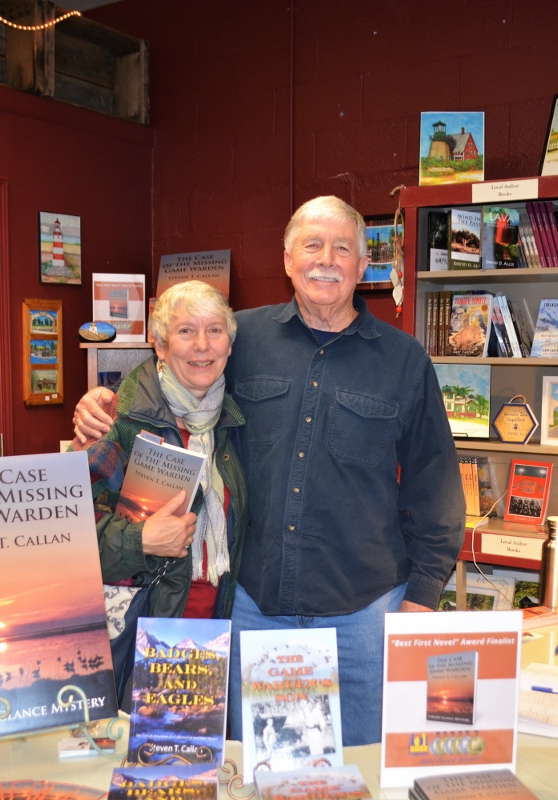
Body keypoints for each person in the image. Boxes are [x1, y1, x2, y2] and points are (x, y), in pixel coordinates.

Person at [74, 196, 464, 745]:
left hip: (365, 618)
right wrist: (102, 402)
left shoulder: (404, 361)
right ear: (287, 259)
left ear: (363, 264)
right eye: (312, 244)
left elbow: (436, 489)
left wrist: (421, 597)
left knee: (365, 772)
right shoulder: (242, 337)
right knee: (269, 773)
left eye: (343, 248)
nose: (326, 259)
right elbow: (173, 368)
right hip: (255, 611)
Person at [81, 281, 247, 704]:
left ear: (230, 343)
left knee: (188, 762)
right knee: (149, 763)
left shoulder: (236, 422)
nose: (202, 346)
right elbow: (68, 541)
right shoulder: (117, 421)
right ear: (159, 344)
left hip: (216, 632)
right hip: (143, 635)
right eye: (186, 331)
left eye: (214, 330)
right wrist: (142, 541)